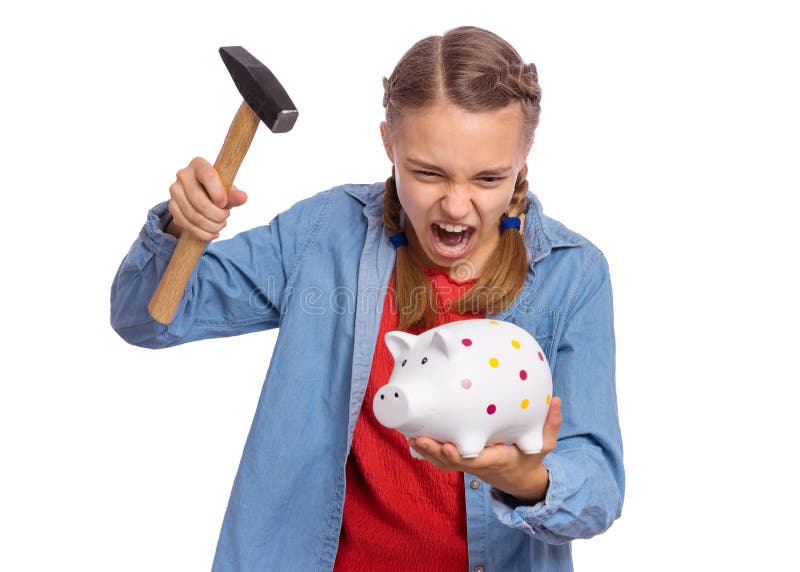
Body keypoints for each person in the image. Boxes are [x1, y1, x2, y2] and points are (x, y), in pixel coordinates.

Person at [111, 25, 624, 572]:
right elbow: (147, 320)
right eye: (427, 172)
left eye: (488, 178)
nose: (455, 205)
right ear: (389, 144)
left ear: (523, 156)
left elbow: (598, 490)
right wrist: (178, 230)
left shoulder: (573, 275)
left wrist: (525, 482)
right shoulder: (324, 233)